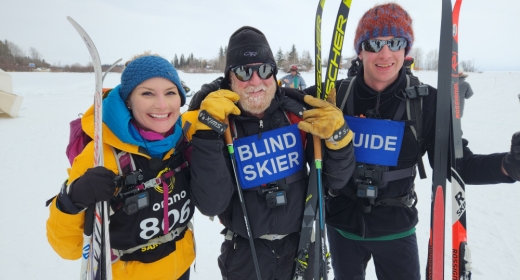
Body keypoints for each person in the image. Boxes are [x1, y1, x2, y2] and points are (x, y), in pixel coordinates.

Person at [302, 3, 520, 279]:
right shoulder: (333, 96)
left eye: (395, 42)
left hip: (396, 230)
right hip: (341, 226)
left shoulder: (427, 102)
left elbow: (457, 165)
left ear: (406, 51)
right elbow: (277, 108)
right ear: (360, 50)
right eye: (373, 43)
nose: (385, 53)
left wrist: (507, 166)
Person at [184, 26, 355, 280]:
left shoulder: (296, 114)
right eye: (244, 71)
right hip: (245, 254)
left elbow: (333, 181)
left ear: (275, 74)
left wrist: (339, 140)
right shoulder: (217, 122)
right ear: (229, 78)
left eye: (264, 70)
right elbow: (211, 204)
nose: (256, 81)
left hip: (304, 245)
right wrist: (208, 136)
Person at [46, 55, 195, 280]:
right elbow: (68, 248)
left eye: (170, 93)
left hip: (181, 268)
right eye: (147, 93)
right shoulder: (100, 157)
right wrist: (71, 200)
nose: (162, 105)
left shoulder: (184, 136)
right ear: (128, 100)